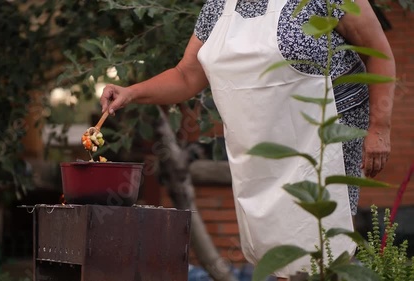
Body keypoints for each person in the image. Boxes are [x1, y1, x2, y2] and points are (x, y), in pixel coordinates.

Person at [100, 0, 395, 279]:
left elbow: (378, 51)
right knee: (280, 250)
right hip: (262, 150)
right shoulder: (218, 7)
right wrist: (131, 92)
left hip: (325, 135)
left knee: (320, 248)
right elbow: (186, 75)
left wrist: (379, 127)